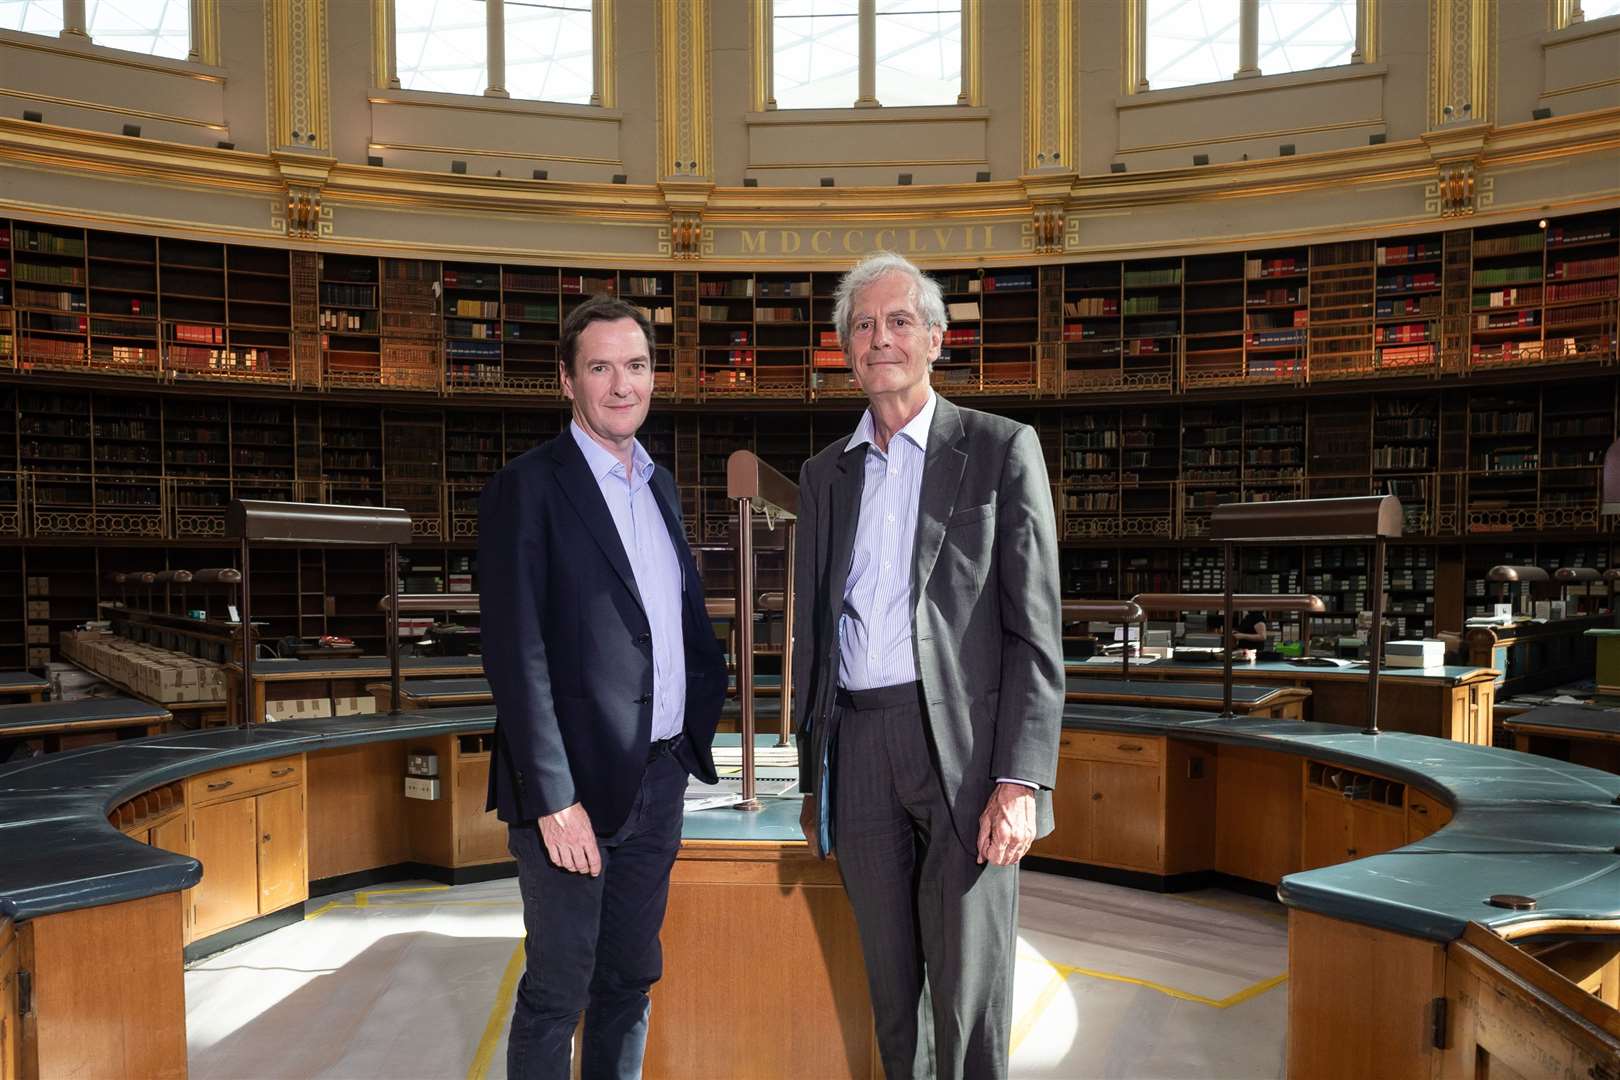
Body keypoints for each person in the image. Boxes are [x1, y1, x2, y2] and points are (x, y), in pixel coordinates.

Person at [792, 251, 1065, 1080]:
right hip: (860, 747)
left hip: (964, 751)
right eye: (864, 325)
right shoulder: (822, 475)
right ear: (845, 349)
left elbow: (1034, 635)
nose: (882, 339)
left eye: (900, 320)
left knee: (968, 984)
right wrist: (816, 776)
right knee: (889, 984)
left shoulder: (999, 450)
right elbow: (810, 632)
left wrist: (1020, 780)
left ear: (937, 339)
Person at [479, 294, 727, 1080]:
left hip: (657, 779)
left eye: (637, 365)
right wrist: (552, 799)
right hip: (571, 795)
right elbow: (515, 654)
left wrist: (689, 744)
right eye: (600, 367)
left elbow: (671, 621)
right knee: (560, 991)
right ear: (567, 380)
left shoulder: (659, 484)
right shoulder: (529, 487)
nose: (623, 385)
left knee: (629, 981)